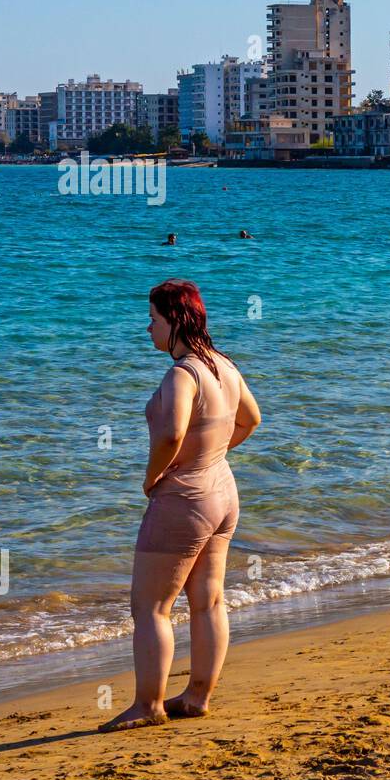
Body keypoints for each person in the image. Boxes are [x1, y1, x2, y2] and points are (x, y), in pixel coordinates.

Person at [98, 279, 262, 732]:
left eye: (153, 319)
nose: (147, 327)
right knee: (209, 601)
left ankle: (148, 705)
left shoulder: (182, 374)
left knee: (151, 607)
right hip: (223, 493)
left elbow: (171, 433)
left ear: (174, 321)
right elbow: (251, 418)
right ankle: (196, 696)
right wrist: (213, 453)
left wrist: (154, 478)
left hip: (184, 498)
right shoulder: (224, 366)